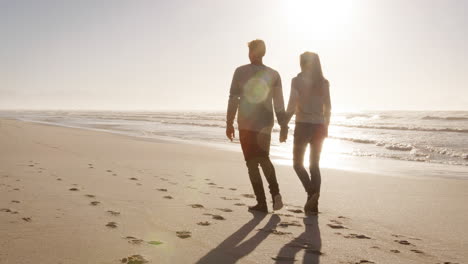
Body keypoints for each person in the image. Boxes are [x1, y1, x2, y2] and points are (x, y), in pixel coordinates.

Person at [226, 39, 288, 213]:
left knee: (251, 163)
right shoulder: (274, 74)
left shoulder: (240, 71)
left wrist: (229, 122)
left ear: (252, 52)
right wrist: (283, 125)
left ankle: (262, 203)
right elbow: (279, 103)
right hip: (266, 122)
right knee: (263, 158)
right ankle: (275, 195)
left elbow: (234, 98)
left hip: (246, 122)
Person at [282, 52, 331, 214]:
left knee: (297, 164)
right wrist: (326, 126)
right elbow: (328, 107)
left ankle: (311, 193)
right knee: (314, 166)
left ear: (302, 63)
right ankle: (313, 205)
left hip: (303, 125)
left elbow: (292, 103)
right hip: (319, 127)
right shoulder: (323, 82)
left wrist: (284, 123)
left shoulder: (296, 81)